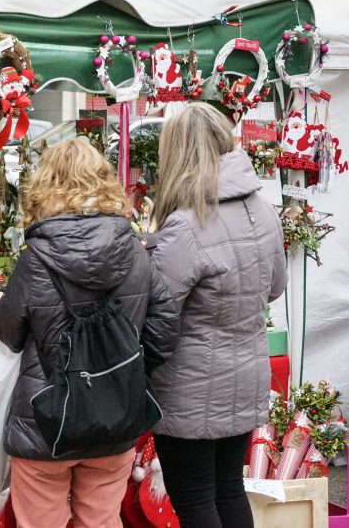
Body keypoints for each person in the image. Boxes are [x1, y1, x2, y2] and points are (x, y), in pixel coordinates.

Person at [0, 138, 180, 528]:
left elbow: (9, 333)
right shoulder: (135, 250)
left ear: (45, 184)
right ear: (104, 181)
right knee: (101, 522)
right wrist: (128, 363)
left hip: (44, 420)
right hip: (115, 415)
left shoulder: (35, 259)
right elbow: (165, 323)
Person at [150, 103, 287, 528]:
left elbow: (157, 311)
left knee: (194, 500)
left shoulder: (187, 225)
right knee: (228, 489)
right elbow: (275, 288)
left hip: (189, 386)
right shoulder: (262, 209)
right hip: (246, 374)